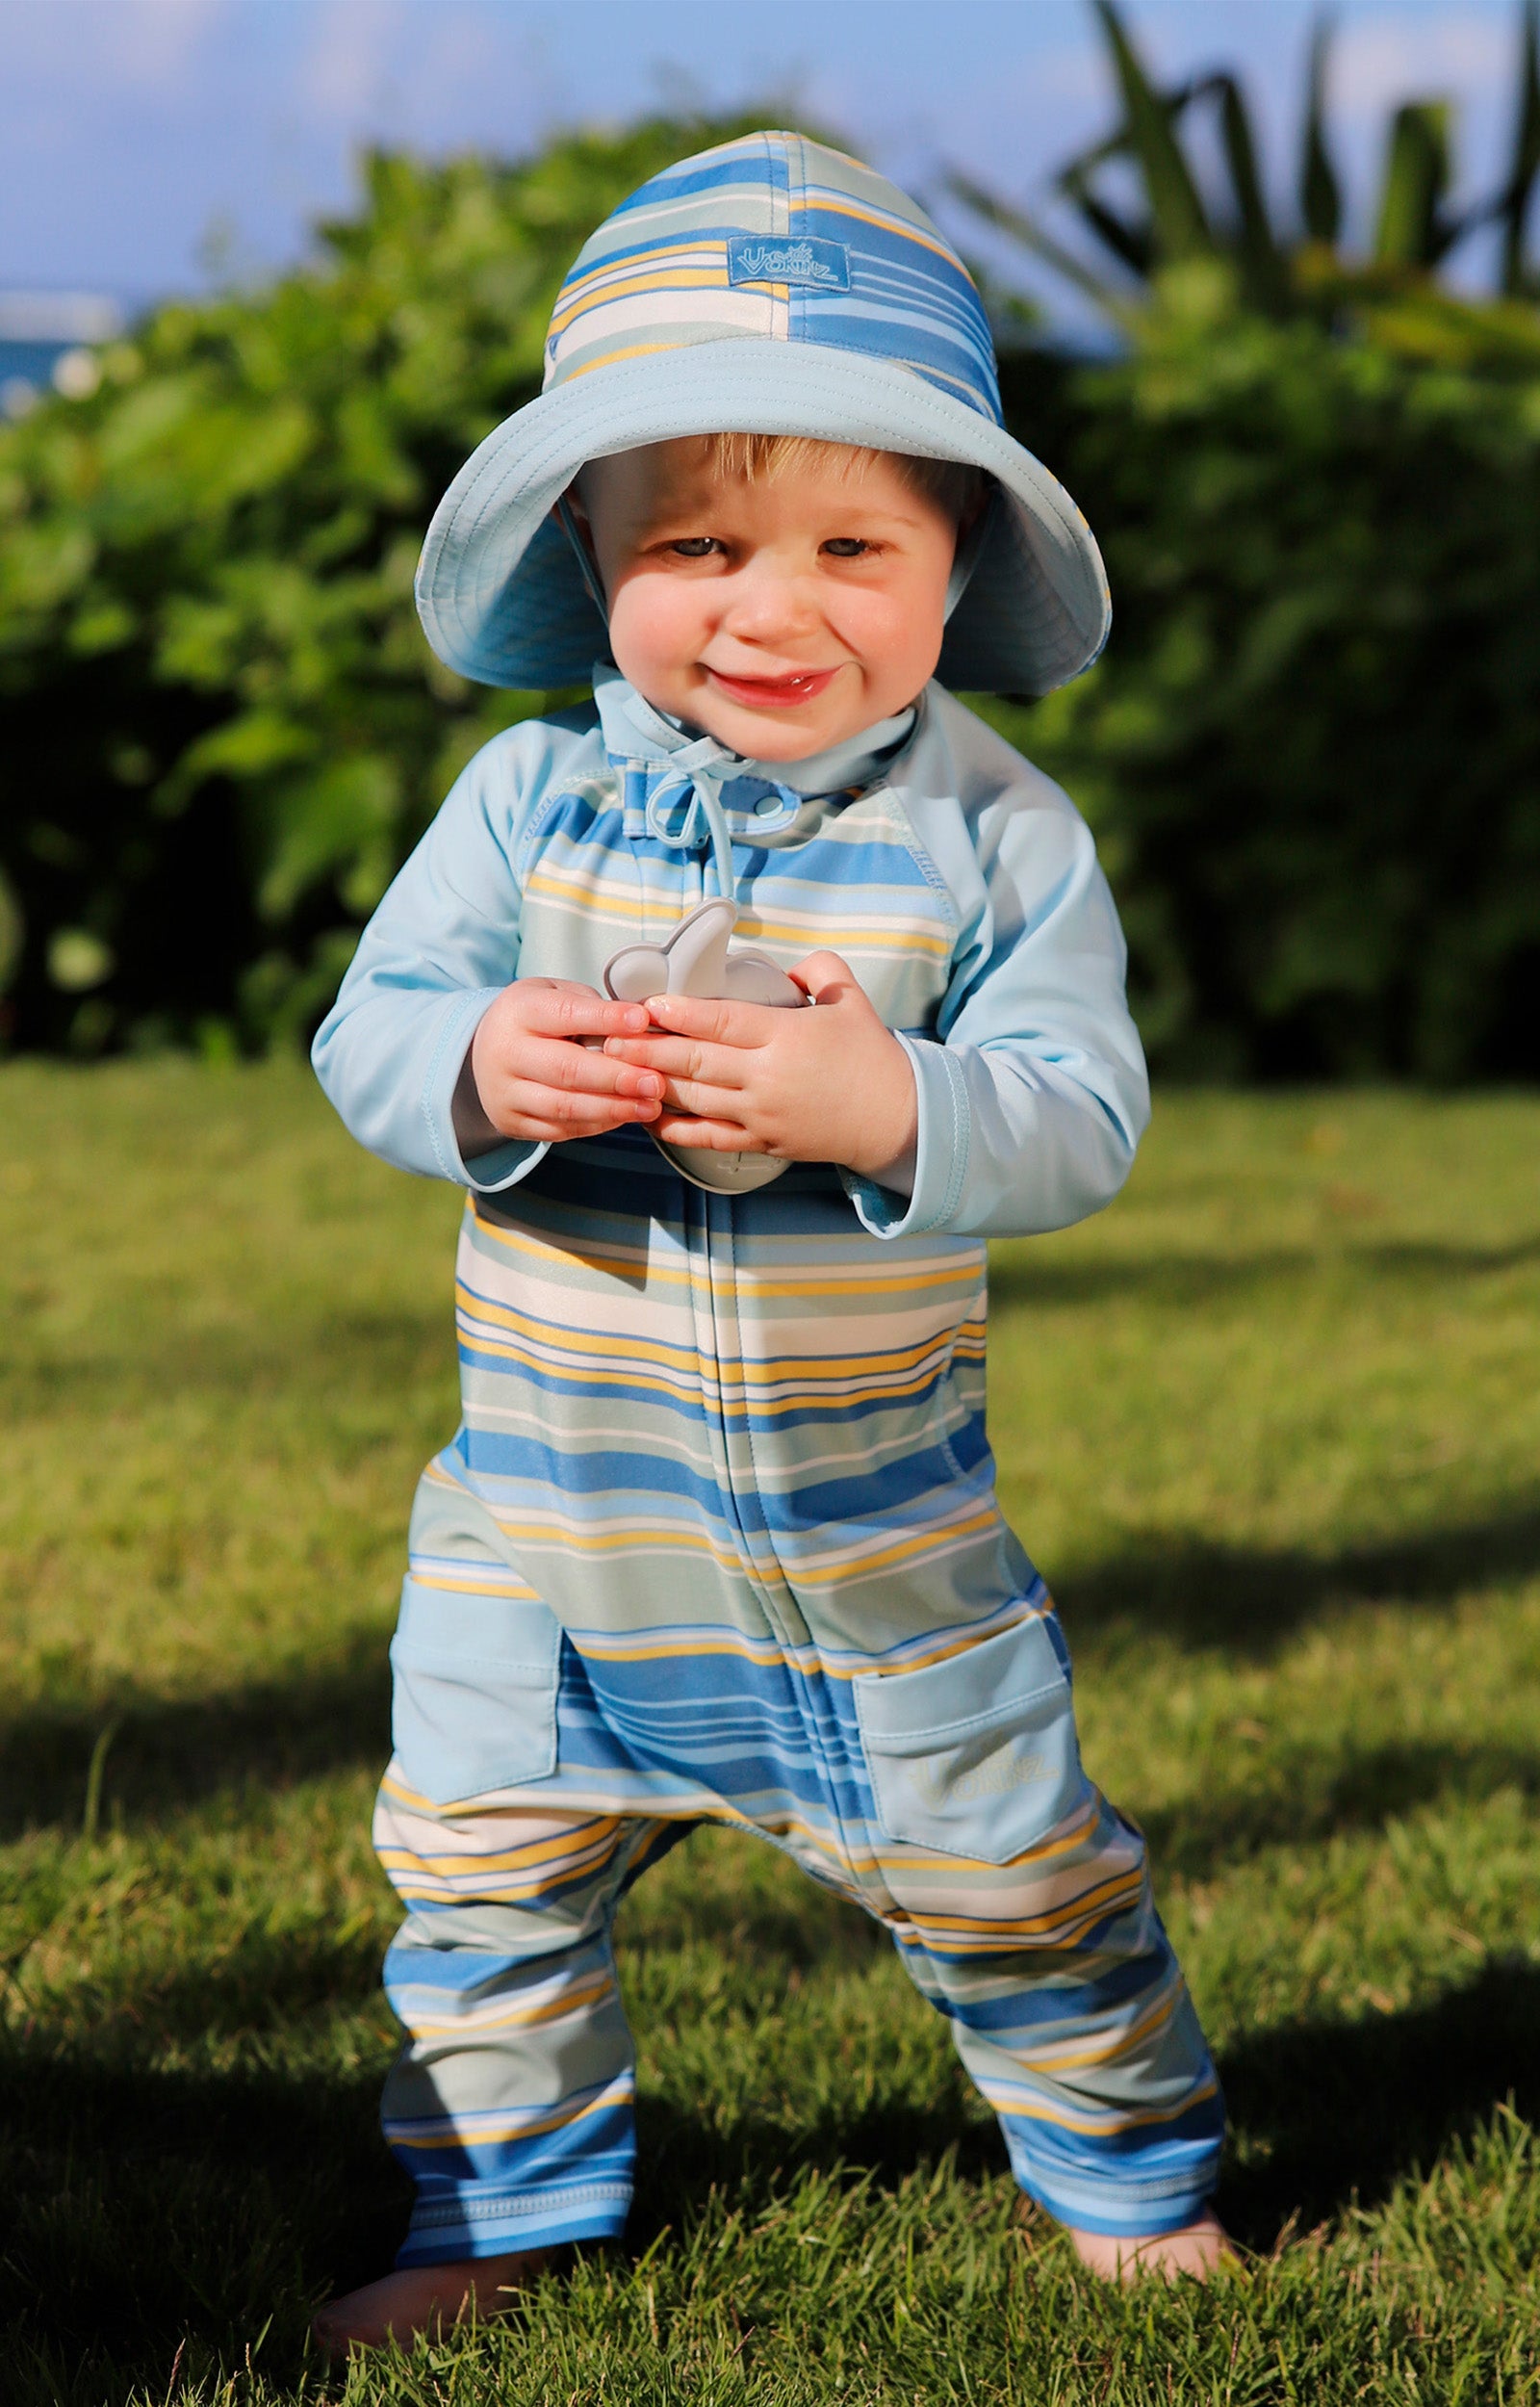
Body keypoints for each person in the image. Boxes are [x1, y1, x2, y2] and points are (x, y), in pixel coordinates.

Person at [310, 129, 1228, 2352]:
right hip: (545, 1534)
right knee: (474, 1887)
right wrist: (479, 1065)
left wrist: (882, 1097)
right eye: (695, 540)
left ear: (953, 559)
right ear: (594, 555)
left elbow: (1079, 1110)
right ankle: (497, 2212)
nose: (767, 602)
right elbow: (369, 1027)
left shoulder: (992, 835)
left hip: (871, 1539)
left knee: (1015, 1878)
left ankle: (1123, 2174)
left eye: (847, 541)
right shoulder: (525, 801)